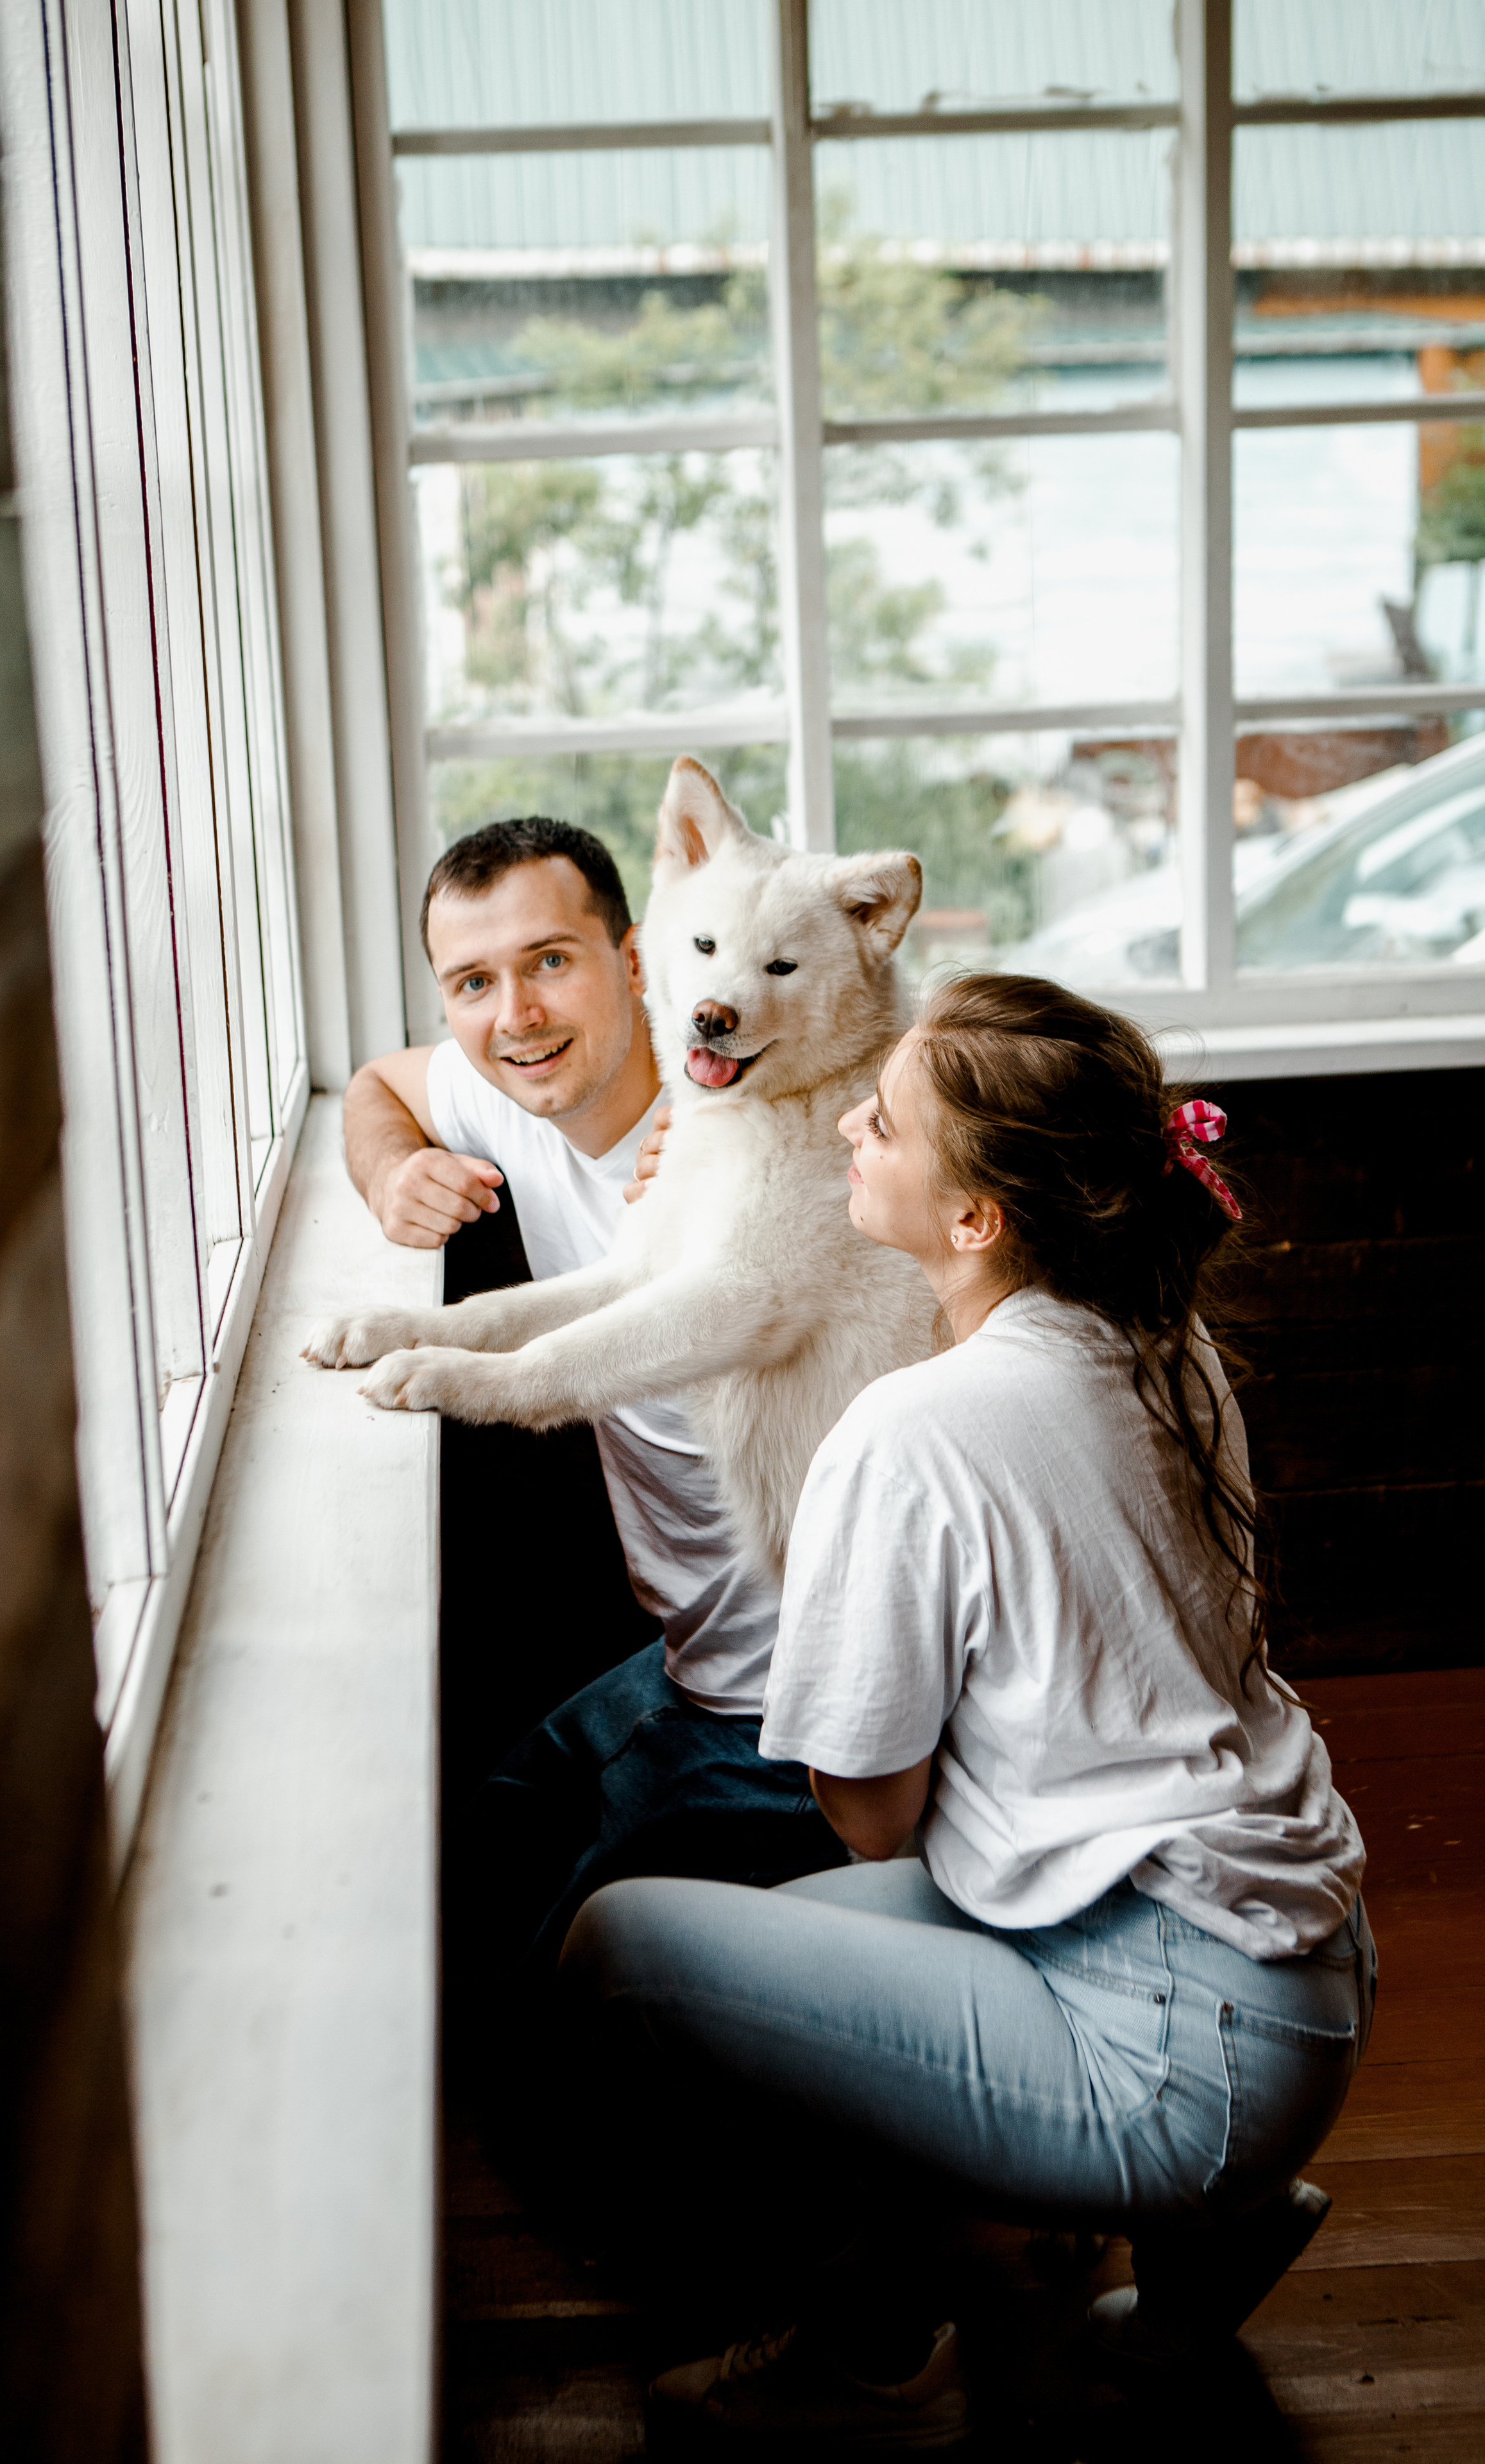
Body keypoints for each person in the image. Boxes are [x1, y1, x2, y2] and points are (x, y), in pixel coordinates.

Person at [561, 973, 1372, 2446]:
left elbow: (873, 1817)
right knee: (805, 1942)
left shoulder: (914, 1426)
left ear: (977, 1220)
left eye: (882, 1119)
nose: (847, 1126)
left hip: (1183, 2055)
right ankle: (1210, 2250)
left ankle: (877, 2358)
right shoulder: (1162, 1342)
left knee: (617, 1948)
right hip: (1295, 1965)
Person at [344, 816, 845, 2006]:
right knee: (474, 1858)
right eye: (473, 982)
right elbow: (378, 1086)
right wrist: (389, 1171)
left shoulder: (773, 1115)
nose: (515, 1015)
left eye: (550, 962)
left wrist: (726, 1126)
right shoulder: (509, 1092)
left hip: (816, 1712)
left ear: (636, 957)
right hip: (686, 1665)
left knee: (542, 1993)